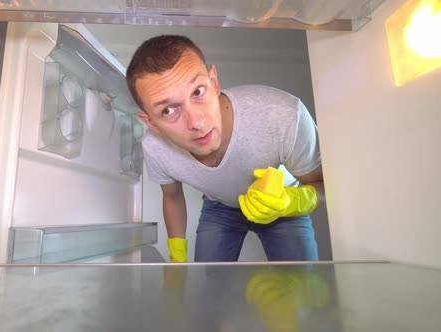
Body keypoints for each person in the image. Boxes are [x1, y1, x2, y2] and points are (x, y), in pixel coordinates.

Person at [126, 35, 324, 263]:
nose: (196, 123)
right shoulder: (154, 147)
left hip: (284, 207)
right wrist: (177, 258)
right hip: (219, 208)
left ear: (214, 82)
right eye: (168, 111)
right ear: (151, 123)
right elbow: (172, 197)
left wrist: (291, 201)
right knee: (211, 288)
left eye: (198, 92)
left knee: (301, 288)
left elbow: (321, 186)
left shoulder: (283, 114)